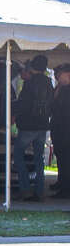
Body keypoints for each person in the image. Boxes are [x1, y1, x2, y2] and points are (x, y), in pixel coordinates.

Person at [12, 54, 53, 202]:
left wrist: (15, 116)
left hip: (28, 125)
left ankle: (25, 189)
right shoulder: (49, 82)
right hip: (42, 125)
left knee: (18, 155)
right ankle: (39, 190)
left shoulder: (30, 82)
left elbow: (24, 104)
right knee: (39, 159)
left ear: (33, 67)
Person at [52, 63, 70, 198]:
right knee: (60, 156)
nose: (57, 76)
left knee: (65, 158)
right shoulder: (60, 88)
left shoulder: (66, 90)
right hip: (58, 127)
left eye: (60, 73)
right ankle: (61, 182)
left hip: (65, 128)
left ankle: (65, 188)